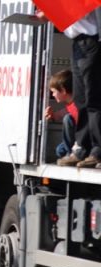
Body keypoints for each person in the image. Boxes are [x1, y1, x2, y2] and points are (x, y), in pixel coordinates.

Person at [37, 9, 101, 168]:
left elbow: (80, 10)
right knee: (81, 100)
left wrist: (51, 13)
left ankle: (97, 151)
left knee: (93, 99)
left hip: (91, 40)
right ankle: (81, 149)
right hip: (78, 42)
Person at [44, 70, 78, 158]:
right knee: (59, 150)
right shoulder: (70, 105)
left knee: (68, 119)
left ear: (63, 90)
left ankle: (71, 155)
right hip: (78, 140)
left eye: (54, 92)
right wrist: (52, 116)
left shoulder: (78, 106)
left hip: (84, 140)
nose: (53, 95)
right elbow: (59, 115)